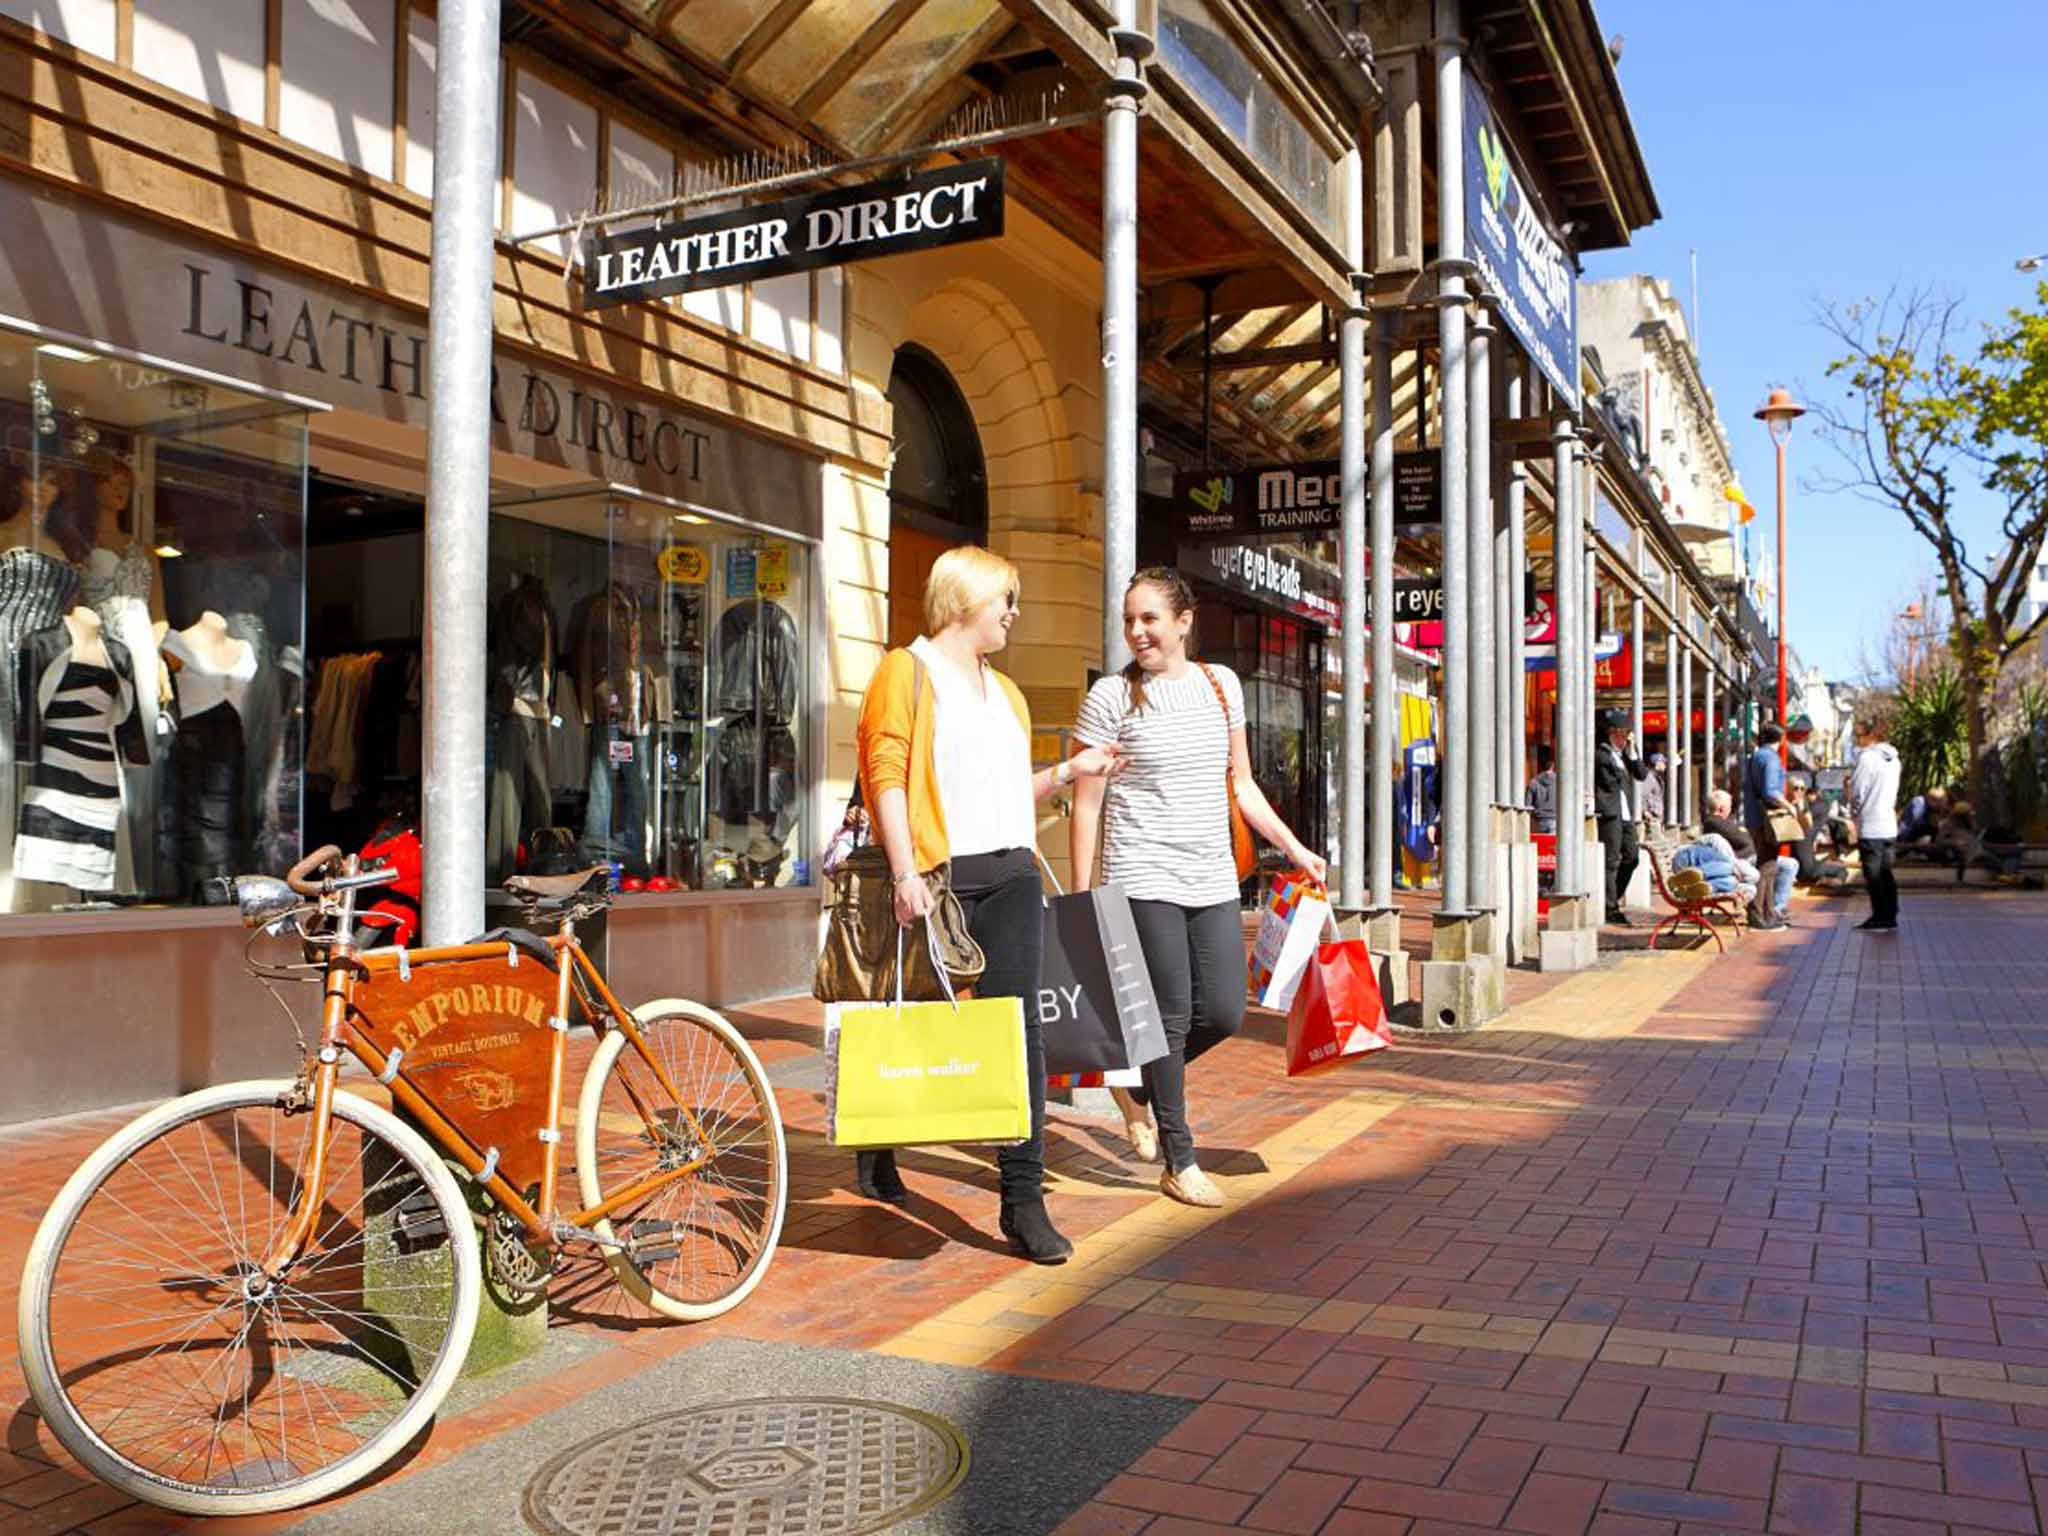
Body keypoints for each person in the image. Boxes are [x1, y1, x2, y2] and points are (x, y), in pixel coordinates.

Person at [855, 546, 1120, 1262]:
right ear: (967, 599)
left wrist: (1068, 770)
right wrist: (906, 873)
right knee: (910, 1019)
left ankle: (1022, 1200)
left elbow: (1004, 792)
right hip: (936, 877)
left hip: (1009, 874)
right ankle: (876, 1140)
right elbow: (885, 774)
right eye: (1005, 598)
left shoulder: (1006, 693)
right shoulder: (904, 672)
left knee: (1016, 1031)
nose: (1013, 612)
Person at [1071, 567, 1326, 1210]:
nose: (1137, 632)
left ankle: (1135, 1085)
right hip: (1141, 872)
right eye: (1130, 619)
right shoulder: (1110, 697)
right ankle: (1180, 1159)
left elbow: (1239, 783)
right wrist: (1083, 900)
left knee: (1223, 1011)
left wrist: (1295, 849)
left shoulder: (1222, 686)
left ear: (1184, 622)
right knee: (1172, 1011)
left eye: (1150, 618)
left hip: (1211, 873)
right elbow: (1087, 803)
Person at [1594, 709, 1648, 925]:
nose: (1624, 739)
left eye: (1627, 735)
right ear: (1611, 734)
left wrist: (1633, 752)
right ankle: (1610, 907)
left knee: (1632, 856)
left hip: (1625, 814)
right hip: (1610, 813)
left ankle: (1613, 896)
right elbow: (1610, 782)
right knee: (1611, 860)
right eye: (1622, 735)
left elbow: (1641, 774)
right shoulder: (1602, 755)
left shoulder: (1623, 756)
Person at [1743, 723, 1795, 930]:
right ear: (1781, 739)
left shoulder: (1755, 757)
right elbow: (1771, 792)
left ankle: (1766, 911)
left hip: (1755, 818)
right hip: (1768, 820)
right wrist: (1789, 805)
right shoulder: (1771, 758)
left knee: (1766, 864)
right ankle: (1760, 913)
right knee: (1768, 866)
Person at [1703, 788, 1757, 862]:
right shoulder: (1715, 822)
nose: (1730, 810)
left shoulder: (1716, 821)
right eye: (1729, 807)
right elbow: (1744, 839)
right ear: (1721, 809)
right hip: (1736, 861)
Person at [1526, 743, 1558, 834]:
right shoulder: (1560, 783)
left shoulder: (1533, 782)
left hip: (1538, 822)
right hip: (1555, 820)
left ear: (1539, 764)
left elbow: (1528, 805)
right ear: (1553, 764)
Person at [1641, 754, 1667, 828]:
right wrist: (1645, 811)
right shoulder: (1649, 777)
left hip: (1657, 817)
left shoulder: (1658, 778)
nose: (1665, 765)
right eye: (1663, 762)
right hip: (1651, 817)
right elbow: (1643, 795)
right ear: (1657, 763)